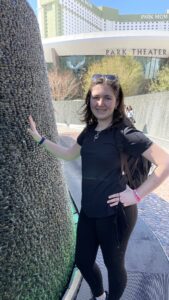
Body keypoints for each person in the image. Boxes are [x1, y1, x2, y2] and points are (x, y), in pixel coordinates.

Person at [28, 74, 169, 300]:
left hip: (116, 213)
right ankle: (99, 295)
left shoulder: (125, 133)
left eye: (107, 98)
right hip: (89, 211)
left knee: (114, 267)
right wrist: (40, 139)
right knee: (83, 261)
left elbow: (165, 161)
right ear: (89, 100)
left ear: (117, 101)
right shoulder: (89, 132)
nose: (100, 103)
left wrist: (136, 195)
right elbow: (68, 154)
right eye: (96, 97)